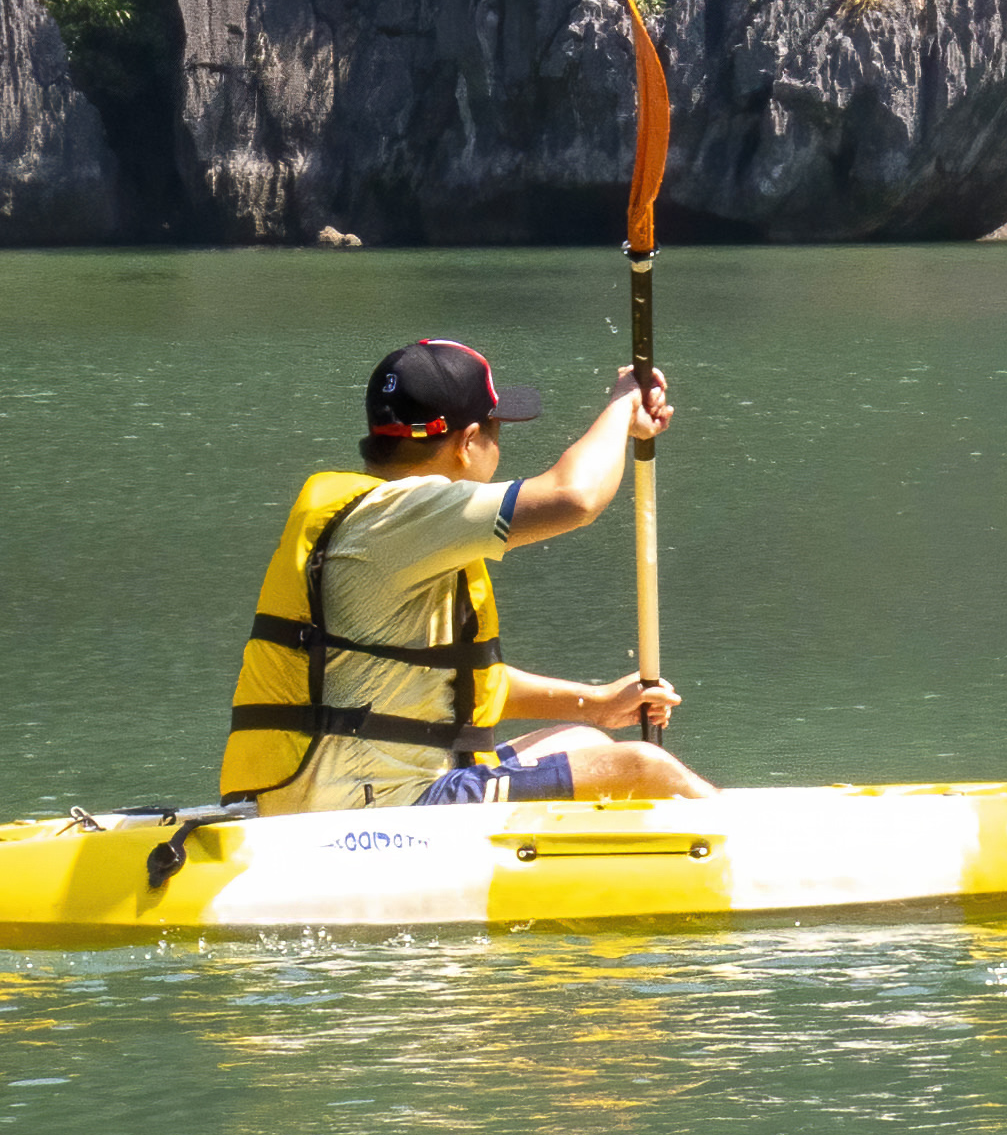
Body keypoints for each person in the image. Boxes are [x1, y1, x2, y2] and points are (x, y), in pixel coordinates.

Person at [214, 337, 706, 807]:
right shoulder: (403, 515)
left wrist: (596, 702)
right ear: (468, 443)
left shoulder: (378, 515)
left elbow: (453, 684)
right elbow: (573, 497)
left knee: (581, 737)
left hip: (342, 789)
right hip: (370, 808)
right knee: (645, 766)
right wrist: (622, 407)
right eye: (497, 431)